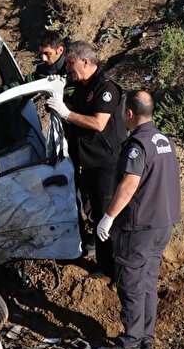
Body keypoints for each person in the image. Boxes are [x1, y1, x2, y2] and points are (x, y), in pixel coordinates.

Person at [92, 91, 180, 349]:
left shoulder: (137, 145)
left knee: (131, 282)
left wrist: (108, 217)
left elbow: (129, 184)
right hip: (163, 223)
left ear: (129, 113)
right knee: (148, 282)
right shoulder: (164, 141)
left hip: (139, 225)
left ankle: (131, 343)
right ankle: (146, 341)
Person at [44, 40, 125, 275]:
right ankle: (101, 258)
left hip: (105, 163)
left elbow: (98, 123)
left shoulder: (105, 88)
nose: (68, 68)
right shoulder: (81, 85)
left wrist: (66, 113)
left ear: (85, 61)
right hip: (85, 162)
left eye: (70, 63)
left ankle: (113, 269)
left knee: (106, 214)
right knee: (91, 211)